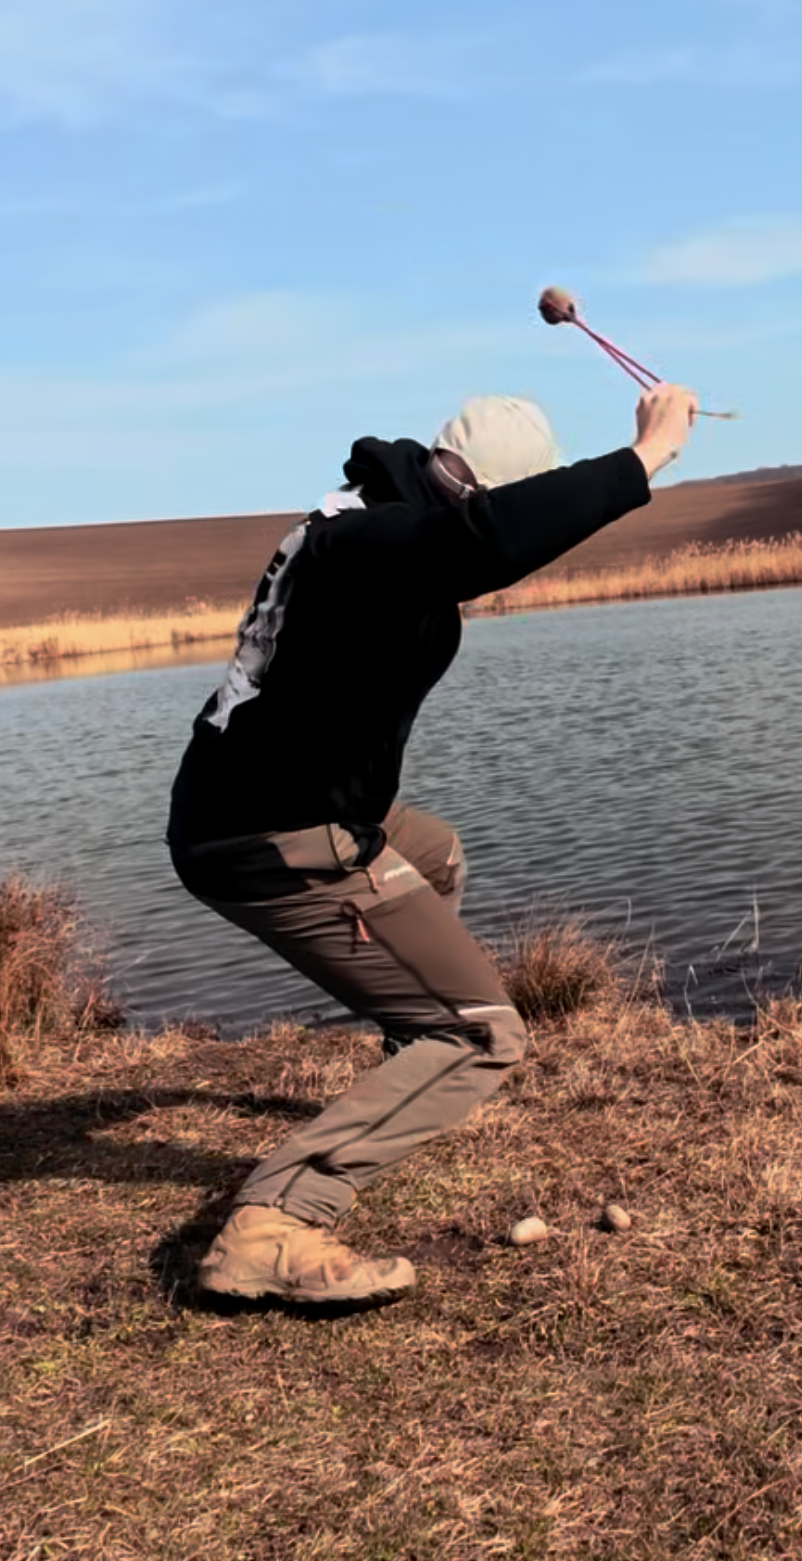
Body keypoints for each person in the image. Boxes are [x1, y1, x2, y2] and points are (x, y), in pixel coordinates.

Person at [166, 380, 699, 1307]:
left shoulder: (370, 517)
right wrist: (643, 457)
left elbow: (467, 545)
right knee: (482, 1032)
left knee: (435, 852)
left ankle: (405, 1054)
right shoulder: (370, 540)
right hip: (271, 833)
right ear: (480, 489)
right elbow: (483, 541)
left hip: (266, 803)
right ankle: (275, 1222)